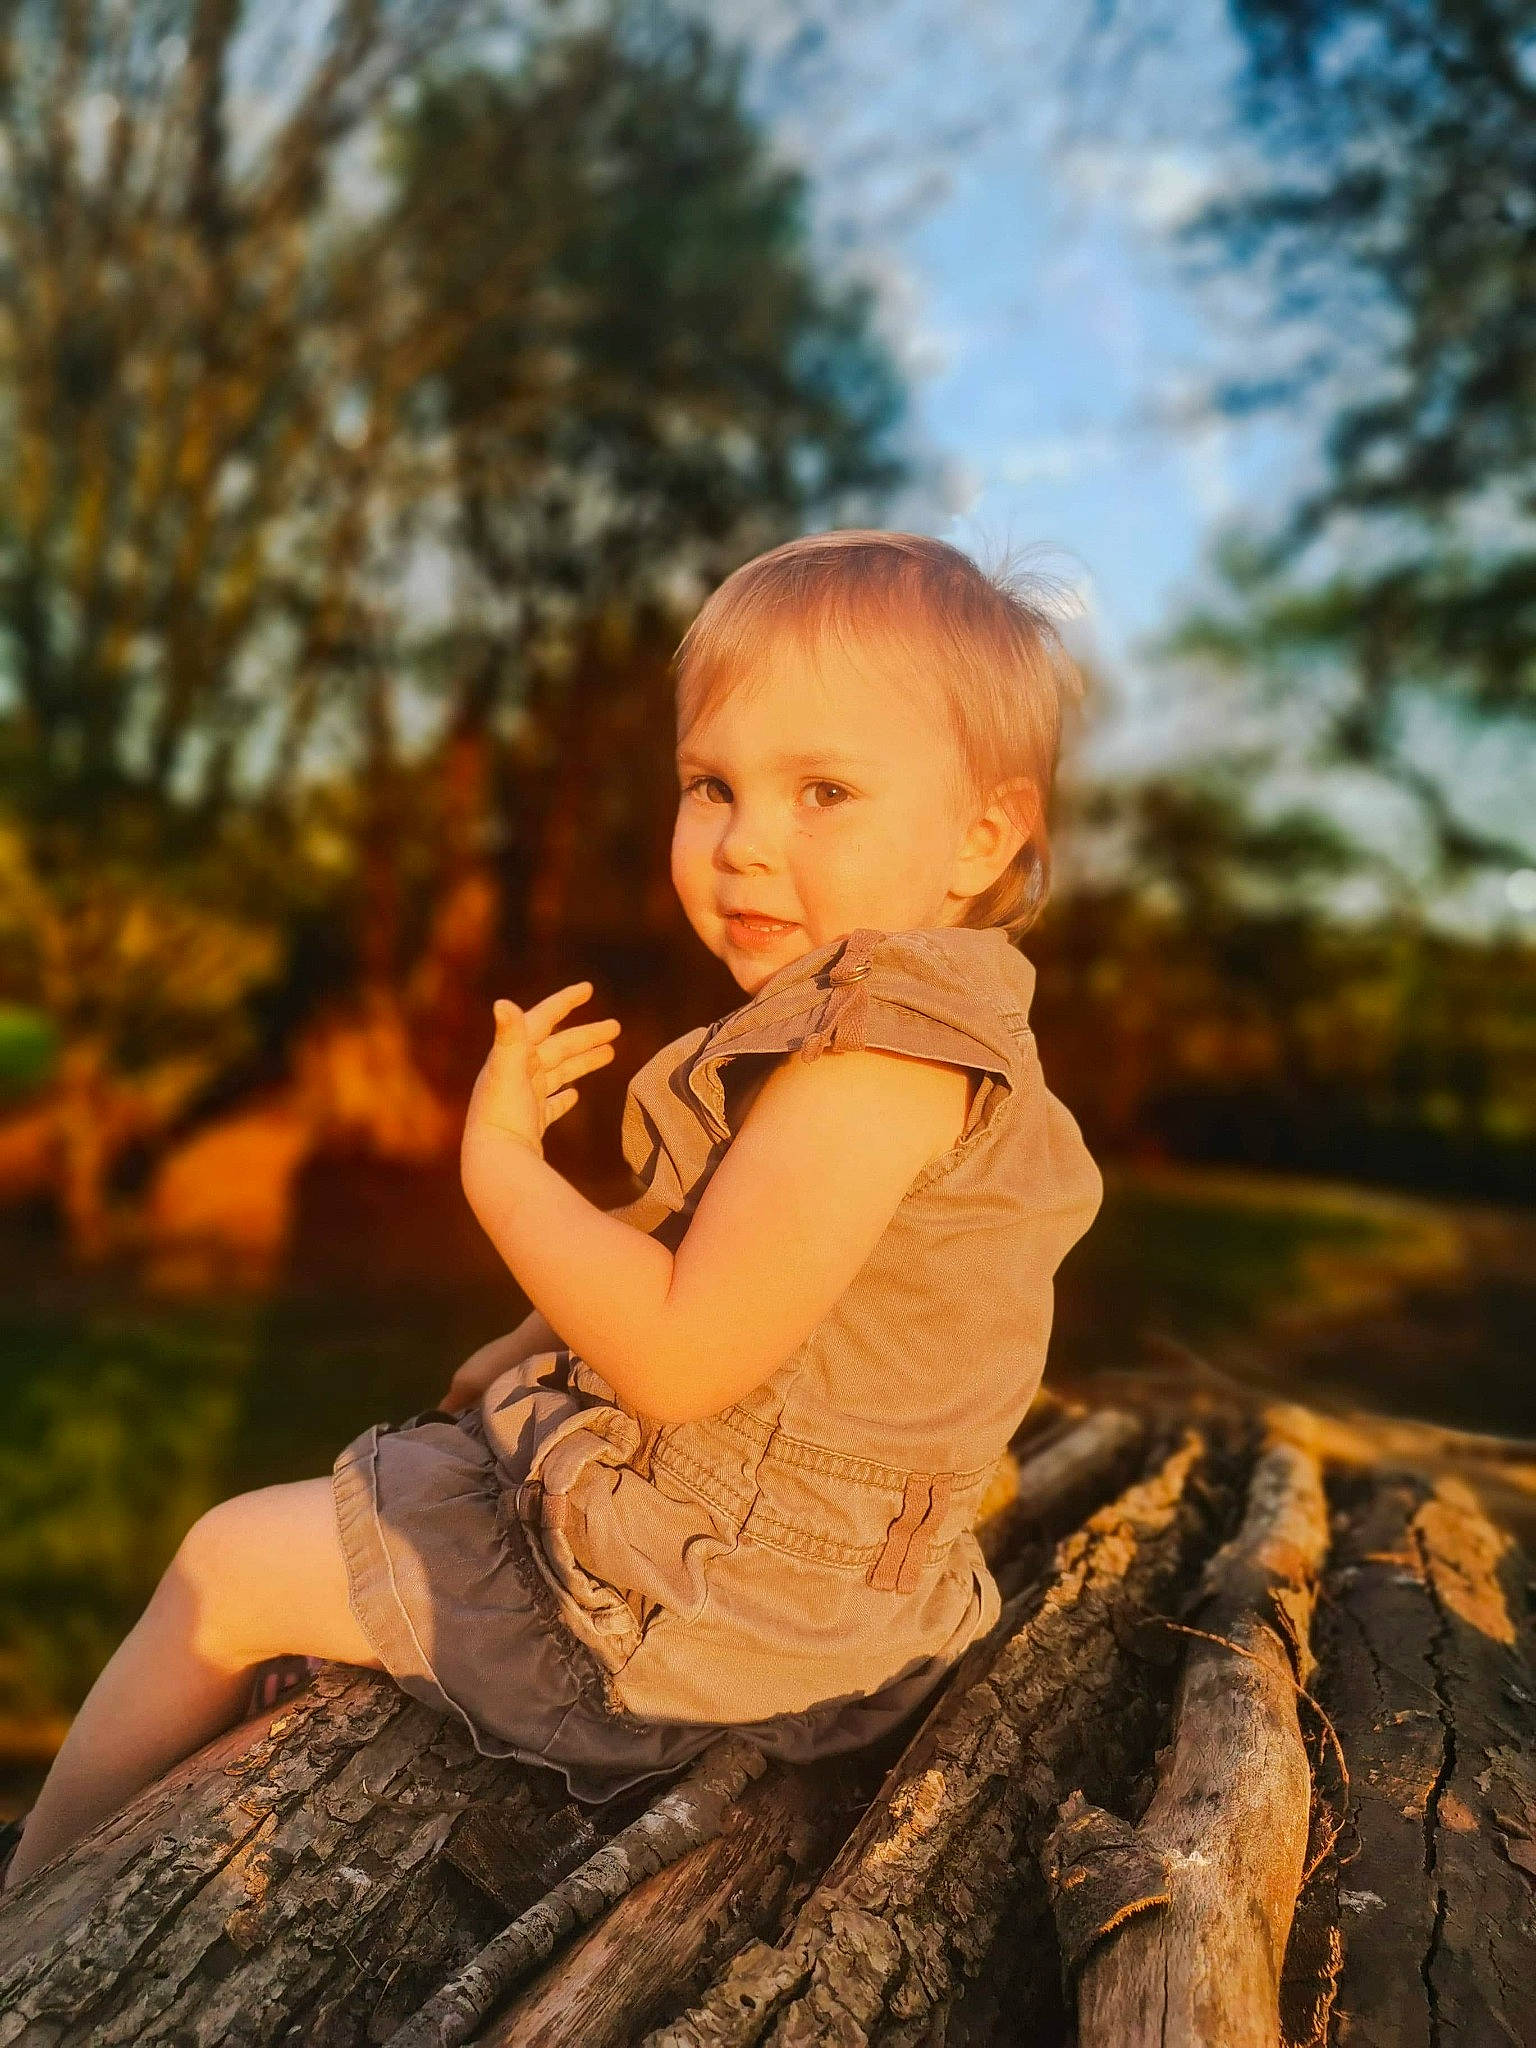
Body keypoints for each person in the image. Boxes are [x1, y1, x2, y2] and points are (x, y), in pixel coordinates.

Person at [1, 530, 1102, 1891]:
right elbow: (707, 1234)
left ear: (980, 837)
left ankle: (25, 1906)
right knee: (393, 1492)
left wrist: (503, 1170)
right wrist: (525, 1342)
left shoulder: (875, 1062)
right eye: (714, 785)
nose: (747, 843)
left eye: (823, 790)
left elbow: (683, 1352)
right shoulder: (898, 1029)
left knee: (227, 1562)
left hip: (712, 1618)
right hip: (794, 1576)